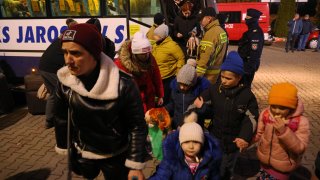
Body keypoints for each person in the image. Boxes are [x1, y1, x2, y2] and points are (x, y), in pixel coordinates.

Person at [53, 23, 148, 180]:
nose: (68, 60)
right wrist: (66, 148)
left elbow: (137, 126)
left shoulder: (124, 84)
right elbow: (61, 119)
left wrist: (135, 164)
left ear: (94, 54)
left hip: (116, 154)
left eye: (76, 53)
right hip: (82, 152)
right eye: (65, 53)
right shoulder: (65, 82)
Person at [193, 51, 259, 179]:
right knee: (214, 165)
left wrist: (244, 137)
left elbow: (251, 118)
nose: (223, 81)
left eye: (228, 78)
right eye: (222, 76)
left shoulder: (247, 96)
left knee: (227, 168)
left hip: (233, 142)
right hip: (215, 137)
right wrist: (200, 108)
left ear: (239, 77)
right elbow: (196, 107)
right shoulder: (214, 90)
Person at [254, 82, 310, 180]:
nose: (277, 111)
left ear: (291, 107)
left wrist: (284, 131)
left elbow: (300, 148)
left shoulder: (301, 122)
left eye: (282, 108)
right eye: (273, 106)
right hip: (264, 162)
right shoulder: (266, 114)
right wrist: (245, 141)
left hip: (283, 167)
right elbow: (259, 133)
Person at [39, 19, 78, 129]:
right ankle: (64, 119)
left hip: (43, 67)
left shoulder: (62, 38)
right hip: (51, 69)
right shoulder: (69, 41)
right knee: (63, 92)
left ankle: (49, 120)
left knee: (53, 94)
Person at [149, 121, 222, 179]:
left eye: (196, 142)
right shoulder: (172, 159)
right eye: (186, 142)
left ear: (202, 143)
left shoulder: (209, 160)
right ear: (181, 143)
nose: (191, 146)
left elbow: (215, 176)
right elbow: (161, 176)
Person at [114, 31, 164, 113]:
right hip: (132, 101)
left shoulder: (150, 58)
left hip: (149, 98)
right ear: (135, 53)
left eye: (148, 53)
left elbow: (156, 76)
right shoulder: (121, 64)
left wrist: (160, 95)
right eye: (143, 54)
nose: (147, 56)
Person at [165, 59, 210, 129]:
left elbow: (206, 113)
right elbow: (173, 104)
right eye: (180, 84)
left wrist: (202, 107)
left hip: (193, 127)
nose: (182, 87)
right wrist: (165, 109)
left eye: (186, 85)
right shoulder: (175, 90)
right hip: (177, 125)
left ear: (192, 84)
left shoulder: (199, 93)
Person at [152, 23, 185, 105]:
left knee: (165, 102)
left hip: (167, 79)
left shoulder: (172, 46)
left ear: (162, 36)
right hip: (157, 78)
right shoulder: (156, 44)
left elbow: (181, 58)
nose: (153, 36)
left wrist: (178, 74)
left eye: (156, 35)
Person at [196, 7, 228, 84]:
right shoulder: (220, 30)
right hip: (216, 72)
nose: (200, 22)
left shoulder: (211, 33)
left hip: (207, 75)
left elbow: (204, 58)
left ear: (209, 18)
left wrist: (196, 77)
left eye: (201, 19)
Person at [237, 8, 264, 88]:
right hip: (244, 63)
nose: (246, 20)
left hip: (248, 64)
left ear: (254, 20)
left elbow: (255, 52)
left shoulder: (255, 33)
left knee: (245, 87)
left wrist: (248, 69)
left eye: (248, 19)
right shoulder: (250, 32)